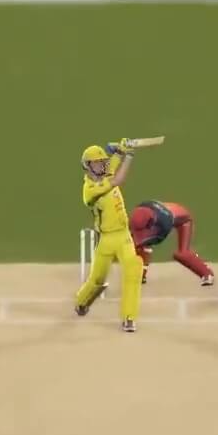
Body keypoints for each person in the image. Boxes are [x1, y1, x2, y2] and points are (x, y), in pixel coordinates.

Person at [72, 141, 146, 333]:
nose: (102, 166)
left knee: (133, 269)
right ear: (88, 166)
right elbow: (118, 180)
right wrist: (129, 156)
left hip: (123, 236)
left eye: (102, 162)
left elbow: (112, 165)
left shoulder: (104, 173)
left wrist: (119, 150)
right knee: (97, 279)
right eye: (97, 163)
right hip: (106, 239)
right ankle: (82, 302)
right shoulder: (89, 191)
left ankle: (129, 317)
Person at [130, 200, 216, 286]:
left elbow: (157, 239)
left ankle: (207, 274)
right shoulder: (139, 213)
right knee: (140, 245)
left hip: (184, 221)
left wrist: (140, 244)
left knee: (182, 254)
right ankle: (141, 275)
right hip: (161, 215)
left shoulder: (164, 221)